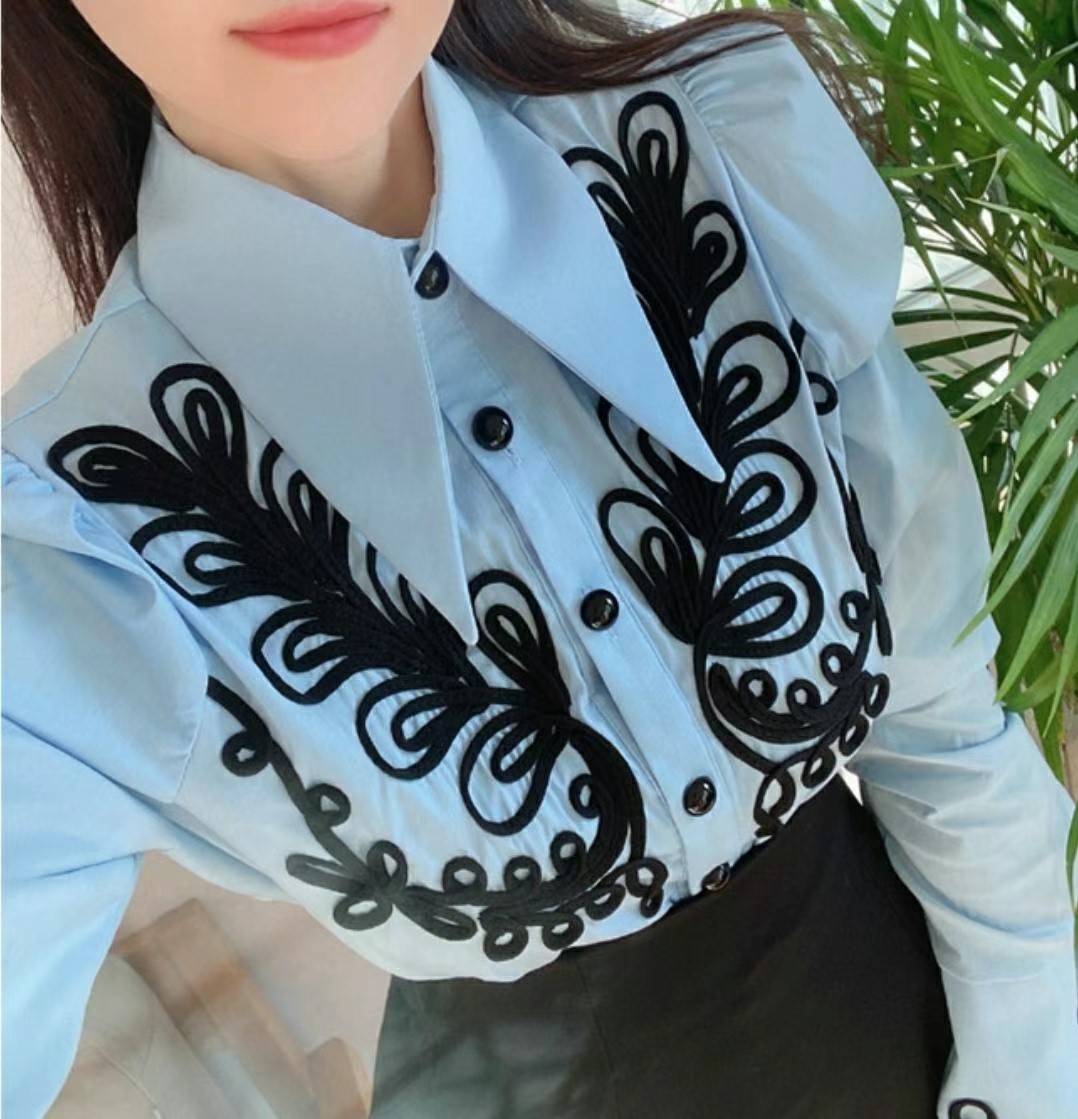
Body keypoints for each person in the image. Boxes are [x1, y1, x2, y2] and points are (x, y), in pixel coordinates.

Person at [1, 2, 1075, 1117]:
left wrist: (1029, 1058)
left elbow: (944, 715)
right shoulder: (70, 546)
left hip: (910, 1006)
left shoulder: (722, 159)